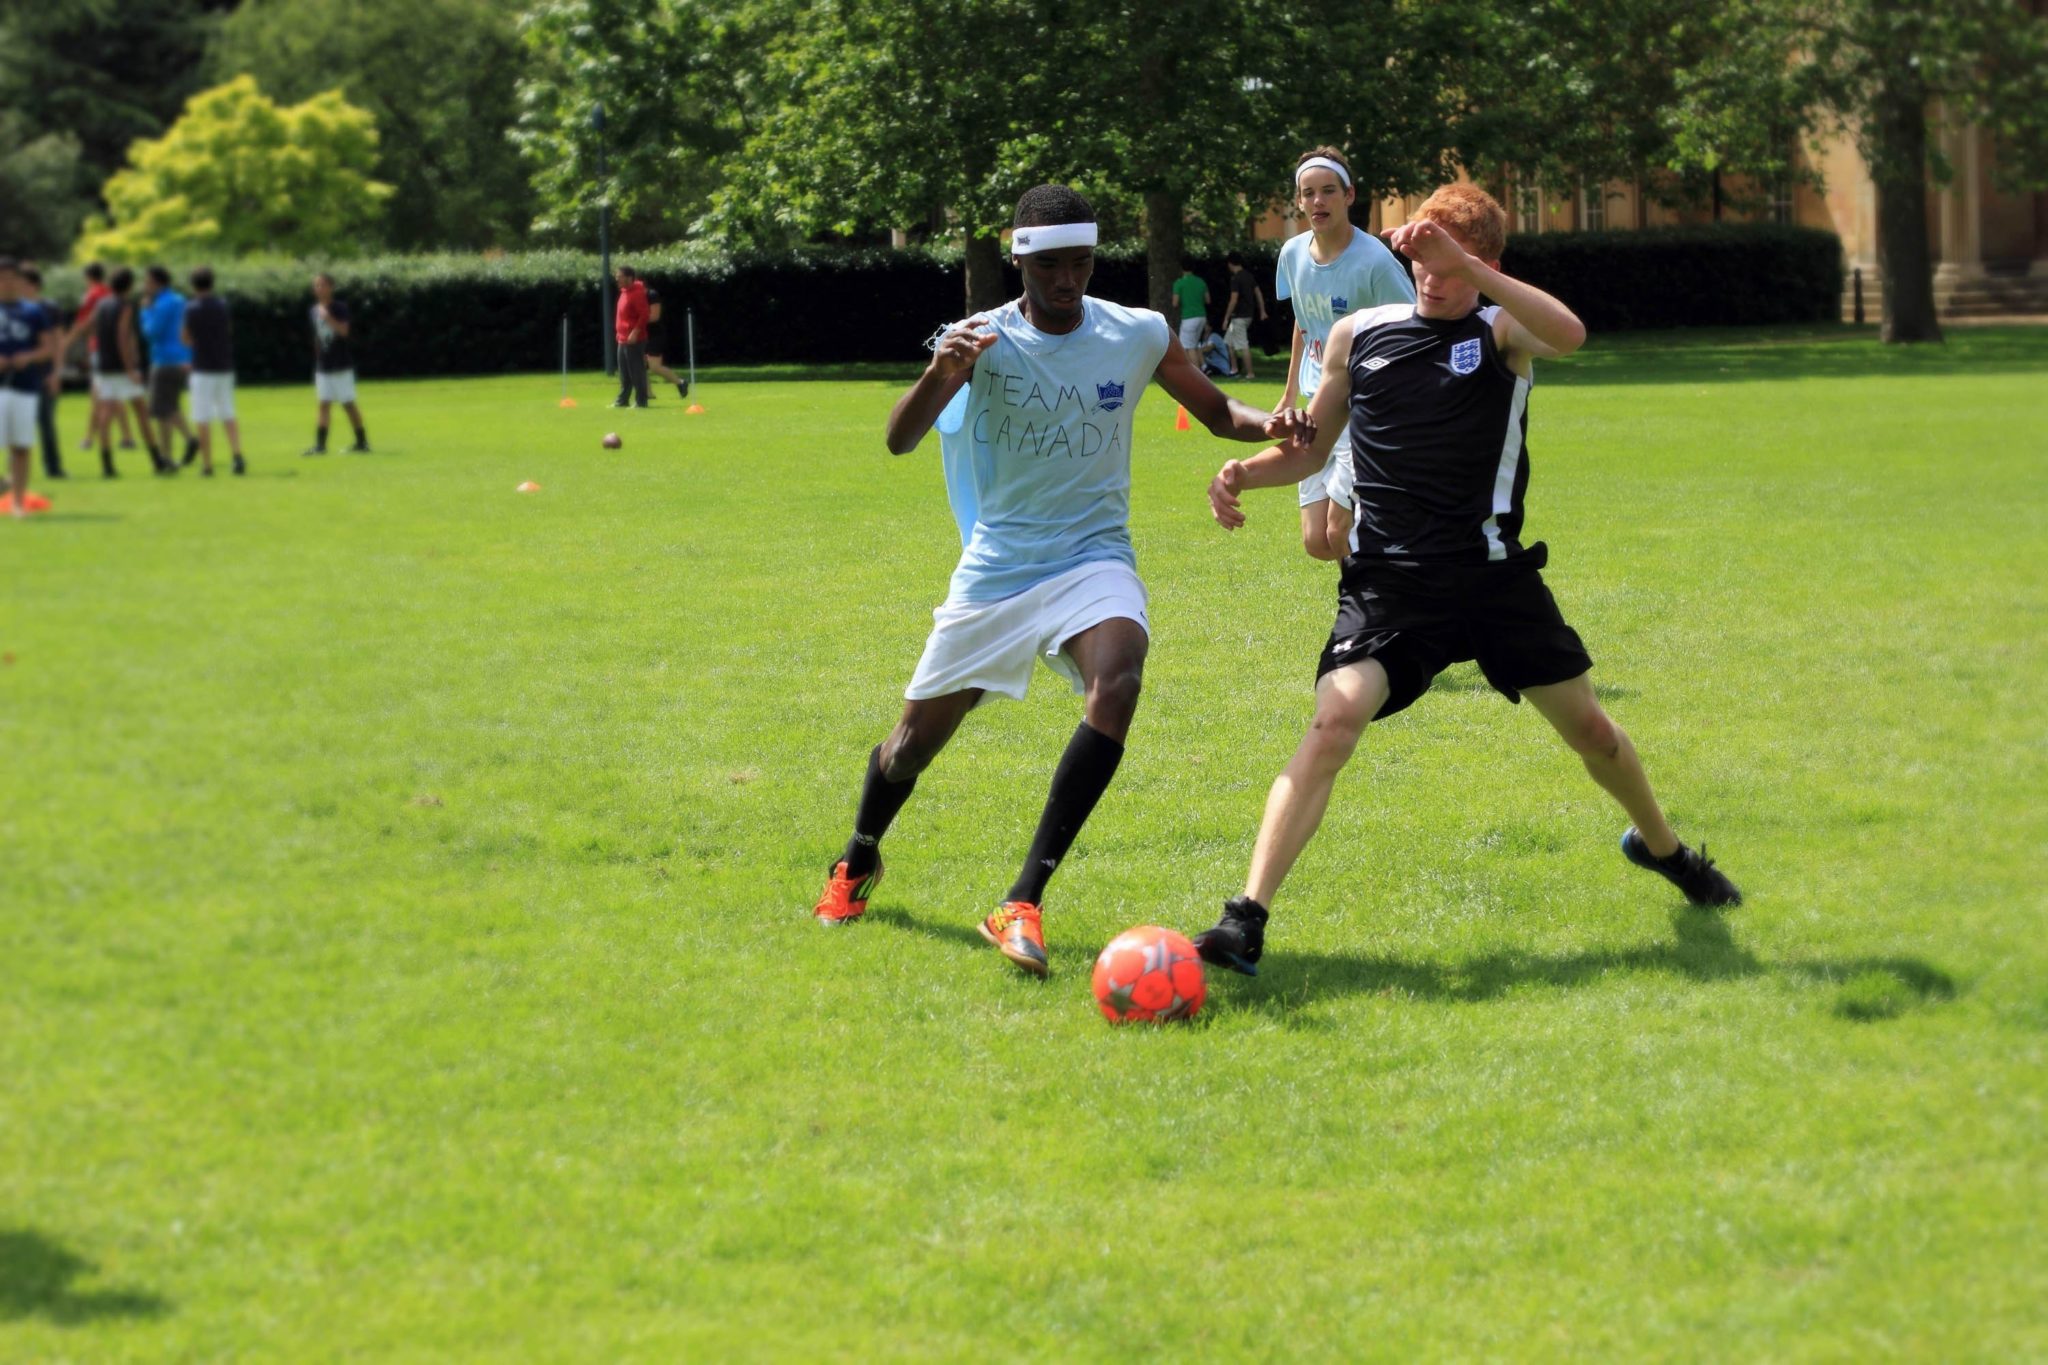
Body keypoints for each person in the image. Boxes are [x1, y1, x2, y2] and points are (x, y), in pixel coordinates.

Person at [1192, 184, 1740, 978]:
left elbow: (1573, 333)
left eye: (1450, 263)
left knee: (1591, 732)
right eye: (1423, 258)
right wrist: (1242, 472)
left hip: (1492, 579)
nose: (1431, 276)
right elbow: (1312, 451)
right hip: (1390, 583)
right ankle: (1245, 917)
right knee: (1332, 725)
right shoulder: (1359, 335)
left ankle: (1666, 850)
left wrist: (1476, 274)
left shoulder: (1502, 328)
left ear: (1484, 264)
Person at [809, 185, 1316, 977]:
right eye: (1050, 265)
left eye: (1080, 262)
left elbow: (1218, 412)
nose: (1068, 279)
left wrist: (1270, 421)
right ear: (1019, 260)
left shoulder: (1136, 333)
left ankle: (1022, 898)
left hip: (1093, 556)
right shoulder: (979, 341)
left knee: (1118, 679)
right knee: (909, 747)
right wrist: (941, 375)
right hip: (999, 567)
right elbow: (899, 439)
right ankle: (859, 856)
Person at [1275, 146, 1415, 562]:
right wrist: (1287, 395)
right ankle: (1381, 590)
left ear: (1349, 196)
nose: (1318, 201)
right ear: (1299, 200)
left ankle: (1372, 609)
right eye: (1309, 193)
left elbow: (1411, 329)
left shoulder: (1375, 261)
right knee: (1317, 542)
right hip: (1315, 409)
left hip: (1364, 409)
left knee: (1340, 530)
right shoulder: (1291, 255)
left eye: (1328, 191)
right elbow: (1303, 324)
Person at [64, 262, 143, 460]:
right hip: (112, 351)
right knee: (112, 397)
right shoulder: (111, 294)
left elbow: (83, 323)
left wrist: (64, 346)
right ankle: (125, 436)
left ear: (88, 277)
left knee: (100, 396)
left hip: (99, 349)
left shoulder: (92, 296)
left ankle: (92, 439)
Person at [0, 258, 58, 517]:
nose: (7, 283)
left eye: (12, 277)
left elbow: (48, 348)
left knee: (21, 445)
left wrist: (29, 357)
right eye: (2, 278)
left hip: (24, 386)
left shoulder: (33, 312)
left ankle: (18, 502)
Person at [86, 268, 153, 478]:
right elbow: (123, 337)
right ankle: (157, 459)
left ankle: (107, 464)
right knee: (141, 410)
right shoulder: (125, 306)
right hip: (120, 366)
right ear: (130, 286)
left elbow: (89, 328)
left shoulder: (102, 304)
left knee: (105, 412)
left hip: (104, 364)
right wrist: (130, 368)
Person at [182, 267, 244, 477]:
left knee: (202, 417)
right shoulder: (222, 306)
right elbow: (228, 331)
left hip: (202, 367)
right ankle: (237, 456)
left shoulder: (192, 308)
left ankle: (207, 464)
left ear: (193, 285)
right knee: (228, 412)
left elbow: (186, 337)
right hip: (224, 365)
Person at [139, 265, 197, 472]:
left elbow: (152, 332)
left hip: (164, 361)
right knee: (168, 408)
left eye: (147, 281)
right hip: (183, 358)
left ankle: (181, 446)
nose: (144, 286)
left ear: (156, 282)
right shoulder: (180, 300)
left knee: (161, 409)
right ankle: (168, 455)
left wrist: (145, 311)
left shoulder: (162, 304)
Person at [305, 273, 369, 454]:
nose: (319, 288)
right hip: (323, 366)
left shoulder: (339, 308)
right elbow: (317, 337)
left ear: (331, 287)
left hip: (341, 364)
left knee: (348, 403)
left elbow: (344, 332)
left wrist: (328, 318)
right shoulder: (313, 311)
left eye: (323, 285)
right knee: (323, 403)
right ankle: (320, 445)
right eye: (316, 285)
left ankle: (362, 442)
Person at [18, 265, 63, 480]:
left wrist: (56, 372)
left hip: (43, 373)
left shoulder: (49, 309)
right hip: (17, 375)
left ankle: (53, 467)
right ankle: (14, 472)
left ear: (34, 285)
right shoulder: (13, 309)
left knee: (46, 422)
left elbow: (58, 342)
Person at [1220, 251, 1269, 380]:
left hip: (1239, 316)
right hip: (1248, 315)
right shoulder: (1249, 276)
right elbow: (1258, 293)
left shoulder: (1236, 278)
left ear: (1230, 264)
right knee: (1229, 342)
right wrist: (1262, 310)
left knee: (1243, 345)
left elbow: (1233, 299)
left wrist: (1226, 317)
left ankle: (1250, 373)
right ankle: (1234, 369)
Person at [611, 265, 649, 409]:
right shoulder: (624, 292)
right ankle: (622, 400)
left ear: (629, 278)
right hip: (622, 338)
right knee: (624, 372)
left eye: (619, 276)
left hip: (634, 339)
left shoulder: (637, 293)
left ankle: (641, 401)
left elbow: (644, 315)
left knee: (636, 371)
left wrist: (635, 331)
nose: (617, 279)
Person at [643, 280, 688, 400]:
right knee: (640, 365)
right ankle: (647, 393)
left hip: (655, 335)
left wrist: (636, 320)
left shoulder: (651, 295)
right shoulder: (633, 296)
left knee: (654, 367)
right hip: (641, 334)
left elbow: (654, 316)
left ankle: (680, 382)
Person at [1170, 258, 1210, 351]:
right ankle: (1201, 365)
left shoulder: (1179, 283)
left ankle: (1194, 366)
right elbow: (1208, 300)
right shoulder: (1201, 281)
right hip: (1202, 317)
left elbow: (1175, 303)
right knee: (1194, 346)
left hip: (1189, 318)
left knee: (1188, 348)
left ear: (1181, 268)